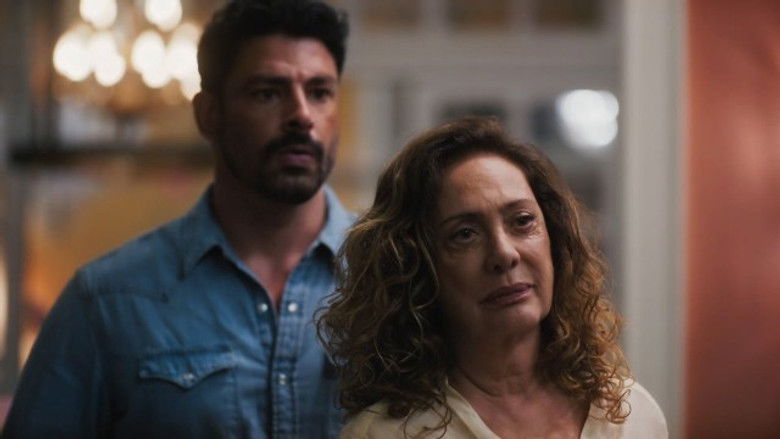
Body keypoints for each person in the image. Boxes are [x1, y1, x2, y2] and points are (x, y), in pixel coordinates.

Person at [3, 1, 352, 437]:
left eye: (320, 92)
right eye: (267, 92)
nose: (301, 115)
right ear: (209, 114)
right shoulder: (109, 300)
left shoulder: (399, 279)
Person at [318, 117, 668, 438]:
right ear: (418, 268)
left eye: (522, 221)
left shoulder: (631, 414)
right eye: (465, 234)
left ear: (555, 239)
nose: (504, 253)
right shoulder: (385, 434)